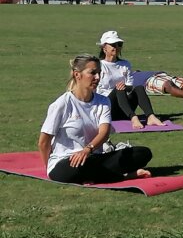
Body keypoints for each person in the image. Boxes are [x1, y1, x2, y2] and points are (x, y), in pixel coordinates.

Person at [38, 54, 152, 183]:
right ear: (77, 75)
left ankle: (98, 175)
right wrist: (48, 168)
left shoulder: (103, 101)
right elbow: (43, 142)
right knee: (77, 167)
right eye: (92, 73)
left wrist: (88, 150)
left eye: (99, 73)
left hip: (93, 157)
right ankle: (123, 176)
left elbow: (104, 132)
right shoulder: (62, 104)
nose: (97, 77)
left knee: (142, 153)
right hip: (67, 161)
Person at [95, 30, 165, 129]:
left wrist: (124, 87)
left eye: (119, 44)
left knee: (139, 88)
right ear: (104, 47)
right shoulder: (99, 65)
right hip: (107, 107)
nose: (116, 47)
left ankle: (150, 116)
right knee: (118, 89)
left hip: (123, 107)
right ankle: (133, 118)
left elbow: (130, 85)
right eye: (113, 44)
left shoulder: (125, 64)